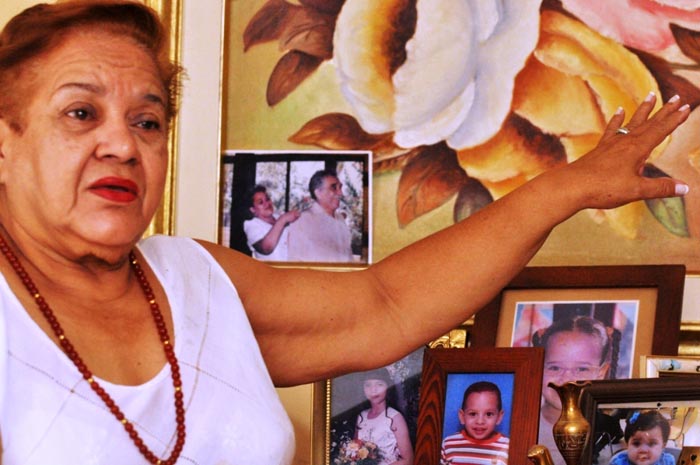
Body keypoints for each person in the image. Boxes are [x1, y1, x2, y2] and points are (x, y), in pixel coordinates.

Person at [0, 1, 691, 463]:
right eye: (81, 113)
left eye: (147, 121)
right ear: (5, 139)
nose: (123, 145)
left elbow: (385, 305)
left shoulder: (190, 277)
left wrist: (568, 188)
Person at [533, 317, 618, 465]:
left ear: (601, 373)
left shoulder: (613, 436)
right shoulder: (520, 428)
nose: (567, 379)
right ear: (538, 366)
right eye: (555, 368)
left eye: (581, 369)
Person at [286, 169, 354, 262]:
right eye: (334, 187)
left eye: (340, 187)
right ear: (318, 193)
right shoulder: (303, 221)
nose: (340, 193)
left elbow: (348, 257)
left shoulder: (340, 219)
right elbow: (296, 261)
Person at [352, 368, 413, 465]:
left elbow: (408, 460)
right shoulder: (361, 416)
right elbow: (355, 450)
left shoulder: (395, 418)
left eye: (379, 384)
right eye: (368, 385)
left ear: (388, 387)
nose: (373, 390)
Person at [440, 380, 509, 465]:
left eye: (489, 414)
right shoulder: (449, 444)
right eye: (473, 414)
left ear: (499, 417)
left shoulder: (507, 447)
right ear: (462, 416)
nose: (480, 421)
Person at [243, 185, 300, 261]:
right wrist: (282, 220)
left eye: (267, 199)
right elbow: (266, 248)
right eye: (260, 202)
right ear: (253, 209)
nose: (267, 203)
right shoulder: (251, 224)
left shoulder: (279, 216)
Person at [610, 411, 675, 465]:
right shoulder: (618, 463)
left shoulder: (667, 462)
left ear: (663, 446)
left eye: (652, 443)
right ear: (627, 444)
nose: (643, 450)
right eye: (636, 443)